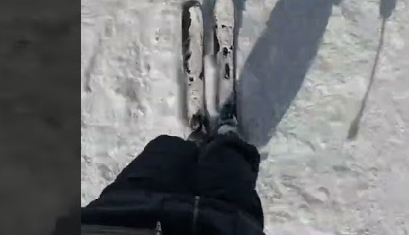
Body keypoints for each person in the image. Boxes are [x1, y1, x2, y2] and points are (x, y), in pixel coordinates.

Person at [67, 98, 266, 234]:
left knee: (166, 150)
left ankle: (195, 143)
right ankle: (224, 135)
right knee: (229, 165)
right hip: (224, 224)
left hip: (122, 212)